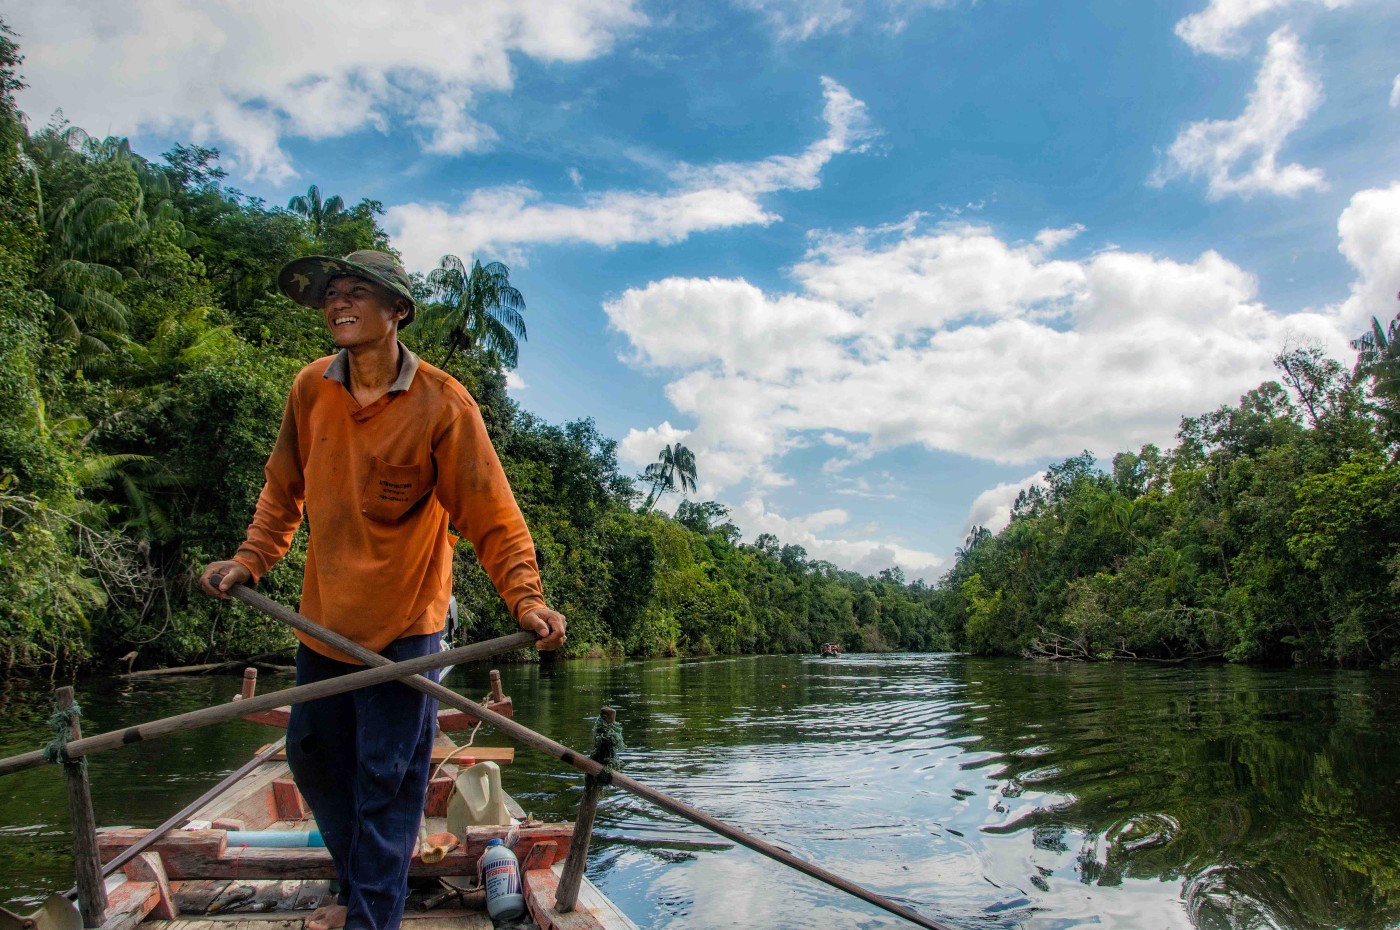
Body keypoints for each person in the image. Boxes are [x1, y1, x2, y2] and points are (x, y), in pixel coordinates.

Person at [199, 250, 565, 930]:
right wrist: (251, 560)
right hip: (323, 625)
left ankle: (373, 918)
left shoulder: (441, 402)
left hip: (405, 633)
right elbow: (283, 490)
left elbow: (492, 513)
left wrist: (527, 599)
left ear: (396, 311)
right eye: (332, 293)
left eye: (357, 292)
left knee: (388, 783)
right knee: (312, 762)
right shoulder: (311, 388)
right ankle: (356, 882)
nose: (339, 302)